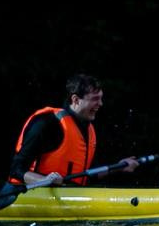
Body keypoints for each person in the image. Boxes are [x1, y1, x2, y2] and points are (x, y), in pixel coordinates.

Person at [9, 73, 139, 186]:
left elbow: (87, 175)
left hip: (69, 198)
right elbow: (16, 169)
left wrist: (119, 167)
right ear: (76, 100)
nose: (100, 104)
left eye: (101, 98)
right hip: (33, 197)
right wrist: (45, 180)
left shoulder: (87, 129)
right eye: (95, 99)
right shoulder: (47, 123)